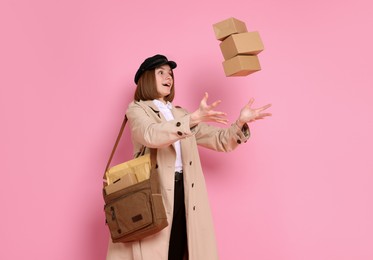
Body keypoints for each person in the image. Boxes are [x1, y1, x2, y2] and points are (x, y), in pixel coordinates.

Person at [106, 54, 271, 260]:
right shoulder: (138, 109)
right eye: (161, 72)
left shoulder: (180, 113)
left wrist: (240, 123)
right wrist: (191, 119)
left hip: (185, 191)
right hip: (155, 194)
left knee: (180, 249)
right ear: (147, 78)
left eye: (171, 73)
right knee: (155, 251)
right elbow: (150, 135)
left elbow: (220, 140)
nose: (169, 77)